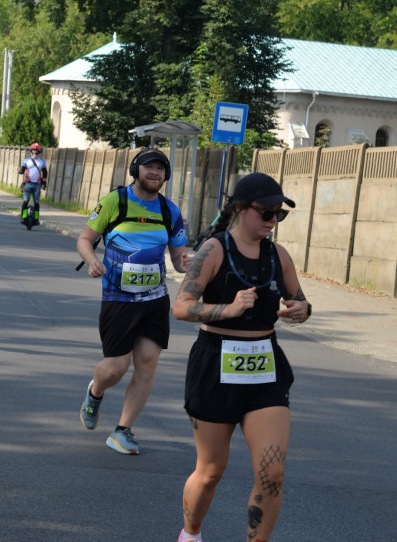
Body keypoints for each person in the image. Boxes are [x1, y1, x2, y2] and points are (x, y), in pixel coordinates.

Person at [171, 172, 311, 542]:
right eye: (265, 212)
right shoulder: (215, 250)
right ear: (239, 209)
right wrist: (228, 310)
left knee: (273, 473)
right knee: (211, 470)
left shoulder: (278, 255)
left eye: (278, 215)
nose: (271, 222)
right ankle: (190, 533)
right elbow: (182, 308)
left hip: (265, 366)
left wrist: (300, 309)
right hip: (215, 363)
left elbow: (302, 299)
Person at [76, 148, 190, 455]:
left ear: (166, 176)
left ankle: (123, 430)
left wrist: (186, 263)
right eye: (148, 167)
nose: (154, 173)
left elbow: (178, 258)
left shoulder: (170, 211)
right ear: (135, 169)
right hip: (118, 298)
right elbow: (85, 239)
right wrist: (91, 260)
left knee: (147, 364)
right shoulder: (115, 202)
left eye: (160, 169)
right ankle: (96, 391)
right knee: (115, 367)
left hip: (154, 299)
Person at [18, 143, 47, 227]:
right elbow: (22, 171)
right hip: (28, 184)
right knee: (26, 201)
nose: (34, 152)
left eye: (36, 150)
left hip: (37, 185)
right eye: (33, 150)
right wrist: (19, 171)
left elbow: (44, 173)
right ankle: (23, 216)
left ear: (39, 151)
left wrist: (44, 184)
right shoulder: (26, 160)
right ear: (31, 151)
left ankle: (36, 219)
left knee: (37, 203)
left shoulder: (42, 161)